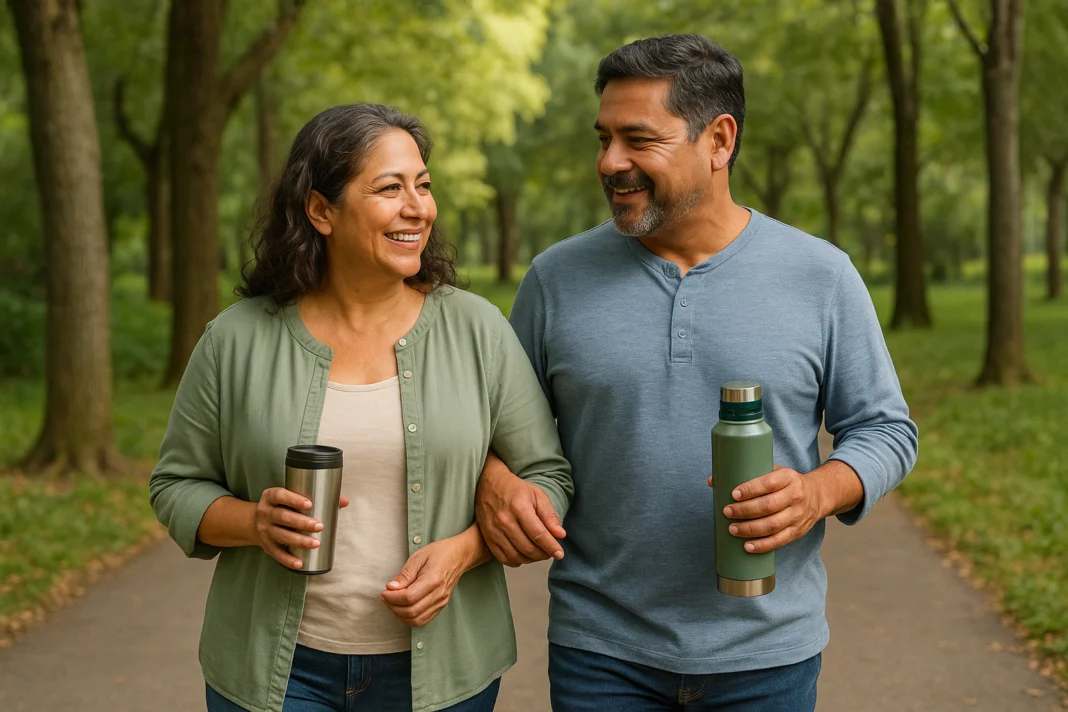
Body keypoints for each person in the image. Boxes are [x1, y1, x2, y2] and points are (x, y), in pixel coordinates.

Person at [475, 34, 919, 711]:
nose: (610, 162)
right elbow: (489, 427)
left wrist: (818, 492)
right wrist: (494, 478)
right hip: (601, 652)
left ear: (719, 140)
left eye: (638, 140)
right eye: (604, 139)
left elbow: (886, 429)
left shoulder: (821, 276)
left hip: (767, 655)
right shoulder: (555, 279)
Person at [149, 103, 572, 712]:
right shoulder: (235, 339)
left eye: (423, 185)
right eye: (389, 188)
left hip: (445, 670)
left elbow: (548, 479)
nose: (418, 207)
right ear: (320, 210)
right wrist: (254, 522)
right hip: (276, 673)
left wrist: (464, 552)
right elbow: (175, 486)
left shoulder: (477, 329)